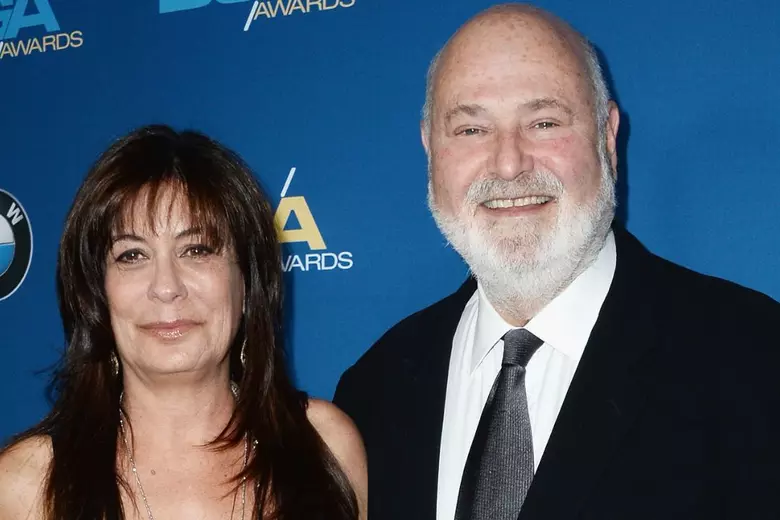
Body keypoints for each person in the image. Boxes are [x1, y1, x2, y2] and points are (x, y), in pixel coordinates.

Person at [333, 4, 780, 520]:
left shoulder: (755, 358)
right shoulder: (373, 390)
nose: (508, 163)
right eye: (471, 130)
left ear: (607, 137)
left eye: (543, 123)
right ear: (430, 149)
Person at [0, 125, 367, 520]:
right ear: (96, 293)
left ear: (247, 282)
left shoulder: (325, 445)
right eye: (132, 255)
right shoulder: (27, 484)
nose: (166, 287)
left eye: (196, 250)